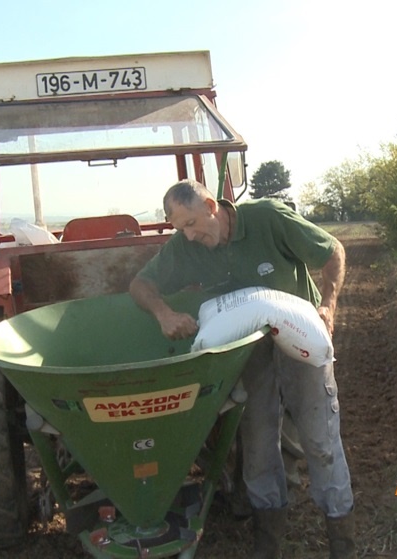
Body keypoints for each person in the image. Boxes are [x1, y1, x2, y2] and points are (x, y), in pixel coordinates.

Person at [129, 179, 355, 559]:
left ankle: (341, 543)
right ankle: (267, 546)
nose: (186, 234)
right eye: (178, 228)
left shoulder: (267, 218)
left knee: (320, 442)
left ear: (211, 207)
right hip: (248, 354)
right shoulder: (186, 246)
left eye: (189, 223)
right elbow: (140, 284)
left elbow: (333, 251)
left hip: (300, 343)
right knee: (259, 446)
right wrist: (163, 313)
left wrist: (329, 305)